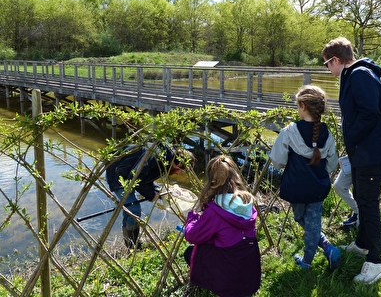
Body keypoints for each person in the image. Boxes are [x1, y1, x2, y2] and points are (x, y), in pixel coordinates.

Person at [322, 36, 381, 284]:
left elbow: (370, 113)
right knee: (363, 200)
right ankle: (363, 244)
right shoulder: (355, 74)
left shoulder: (359, 75)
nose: (327, 69)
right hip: (364, 152)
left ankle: (376, 262)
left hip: (370, 153)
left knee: (369, 205)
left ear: (337, 60)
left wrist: (350, 136)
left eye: (327, 64)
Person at [270, 85, 341, 271]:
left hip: (296, 187)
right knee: (313, 222)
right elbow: (332, 164)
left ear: (302, 106)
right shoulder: (328, 134)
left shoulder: (290, 131)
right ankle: (327, 248)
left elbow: (277, 161)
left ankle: (307, 262)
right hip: (318, 187)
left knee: (301, 219)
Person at [183, 155, 261, 297]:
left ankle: (212, 285)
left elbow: (192, 235)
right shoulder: (248, 203)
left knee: (191, 252)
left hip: (227, 275)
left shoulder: (214, 211)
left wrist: (192, 218)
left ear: (212, 180)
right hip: (248, 272)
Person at [106, 143, 195, 249]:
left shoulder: (165, 159)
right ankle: (132, 245)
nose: (180, 174)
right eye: (182, 170)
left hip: (128, 173)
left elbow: (146, 176)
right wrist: (151, 195)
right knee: (133, 209)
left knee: (130, 209)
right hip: (118, 174)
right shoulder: (159, 158)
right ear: (178, 164)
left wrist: (160, 192)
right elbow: (135, 176)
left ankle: (131, 243)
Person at [333, 156, 359, 231]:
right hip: (353, 156)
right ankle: (357, 211)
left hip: (369, 158)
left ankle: (360, 223)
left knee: (362, 190)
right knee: (339, 185)